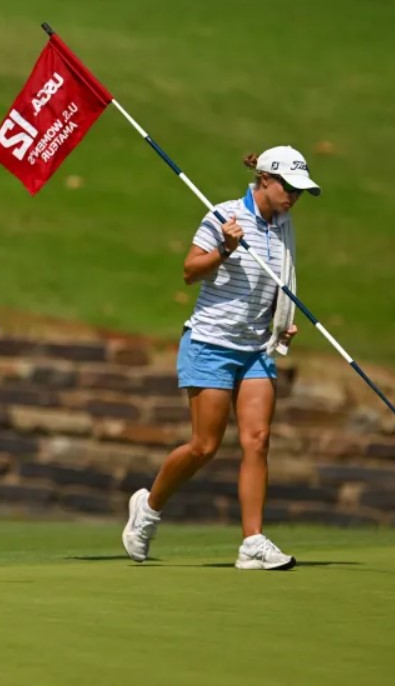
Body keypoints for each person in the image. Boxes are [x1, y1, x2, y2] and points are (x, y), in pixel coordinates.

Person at [122, 146, 318, 571]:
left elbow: (277, 281)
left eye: (300, 192)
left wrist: (280, 320)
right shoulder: (223, 215)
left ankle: (252, 542)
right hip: (210, 342)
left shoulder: (284, 225)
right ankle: (149, 507)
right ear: (265, 179)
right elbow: (190, 271)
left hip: (254, 349)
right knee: (204, 446)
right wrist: (226, 248)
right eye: (289, 188)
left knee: (257, 441)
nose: (294, 198)